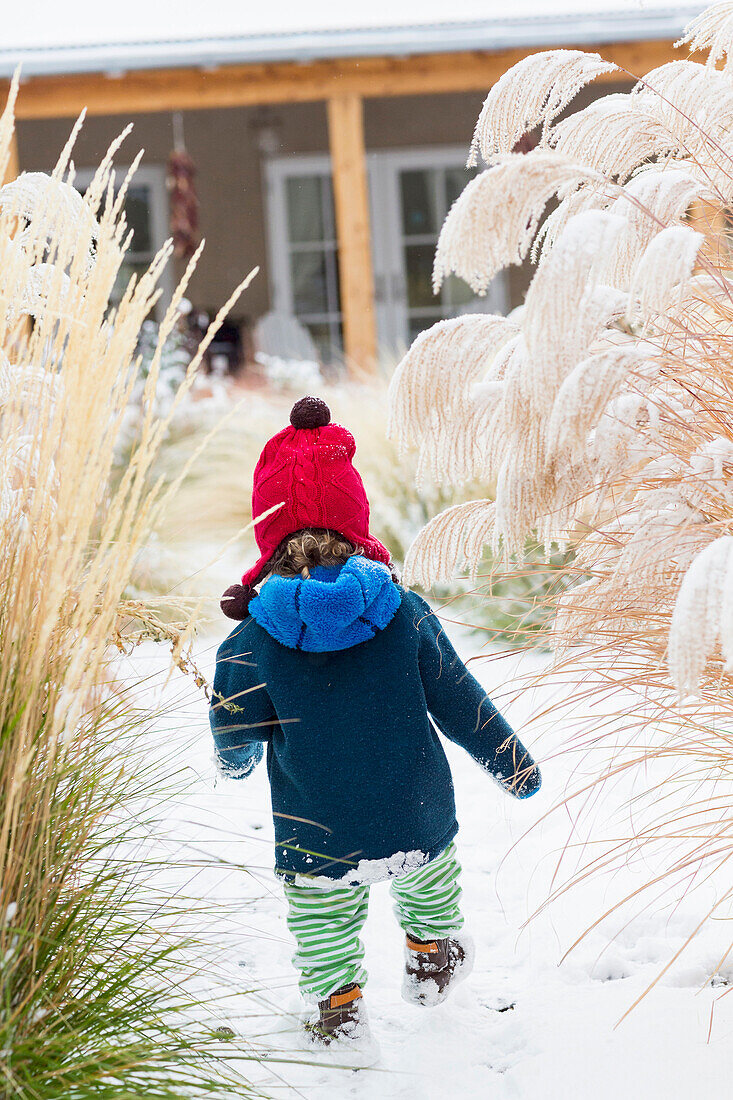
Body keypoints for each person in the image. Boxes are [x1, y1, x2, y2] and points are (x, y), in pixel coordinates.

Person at [210, 395, 541, 1048]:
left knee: (322, 918)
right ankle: (430, 956)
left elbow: (233, 725)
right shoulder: (404, 611)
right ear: (354, 520)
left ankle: (338, 1009)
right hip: (411, 809)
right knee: (430, 890)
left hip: (315, 825)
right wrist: (513, 765)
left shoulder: (252, 637)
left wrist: (236, 760)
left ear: (267, 532)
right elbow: (459, 700)